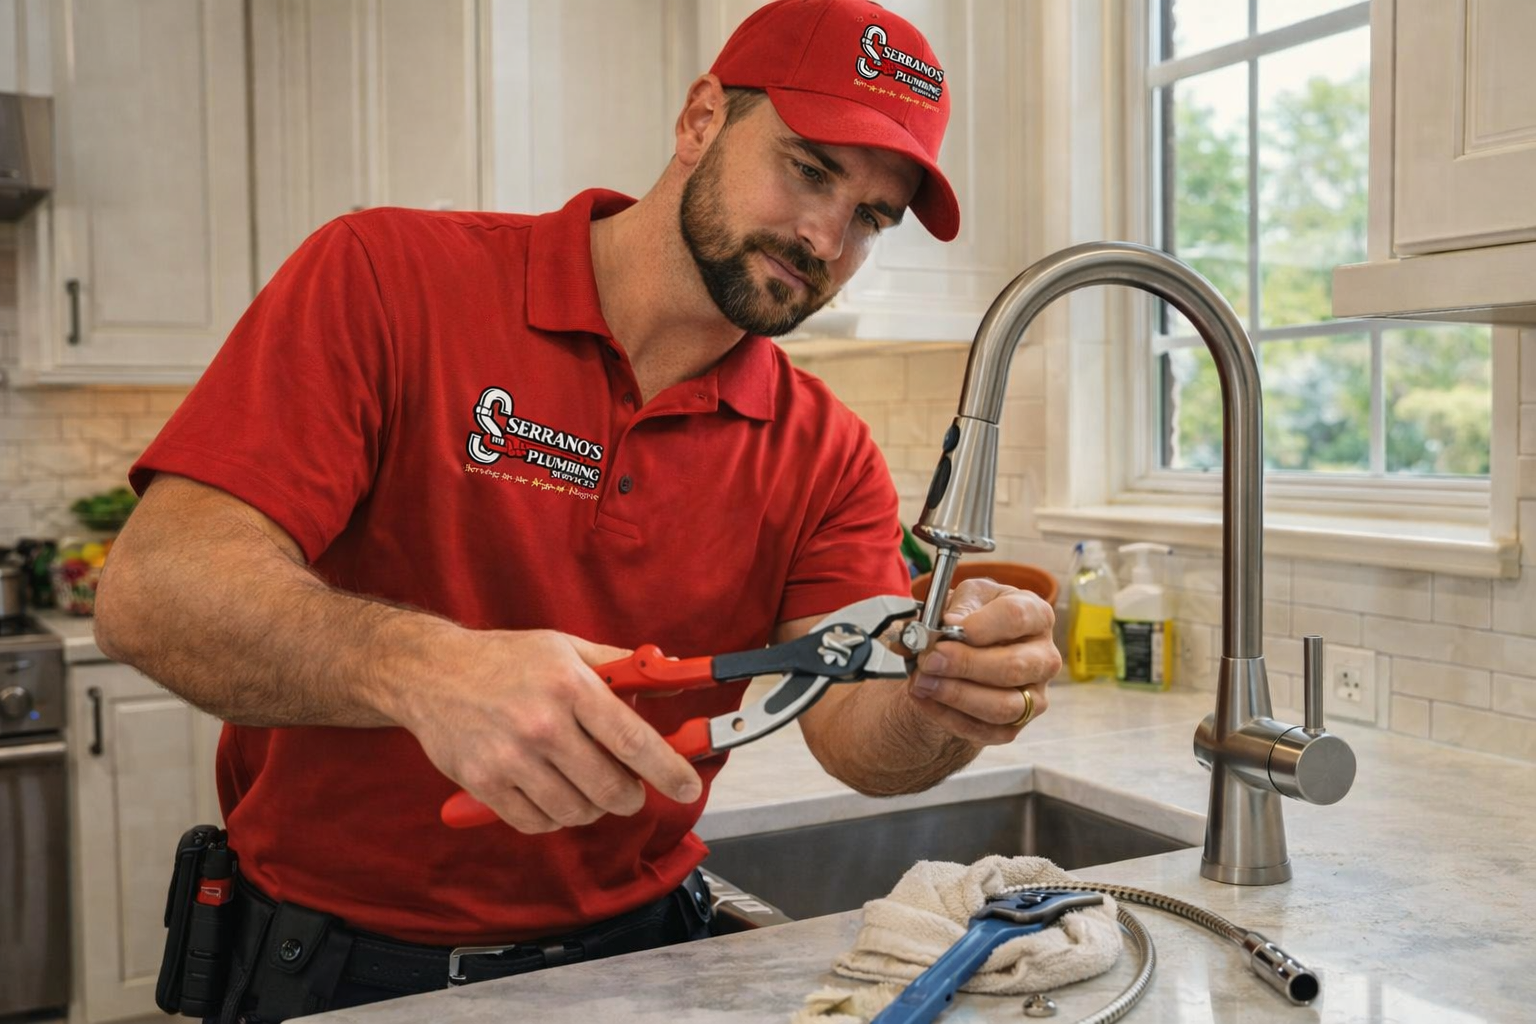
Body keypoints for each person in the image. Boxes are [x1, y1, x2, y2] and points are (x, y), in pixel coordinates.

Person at [94, 1, 1060, 1019]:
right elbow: (154, 593)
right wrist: (423, 669)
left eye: (870, 216)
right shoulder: (385, 277)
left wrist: (946, 702)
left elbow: (856, 730)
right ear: (699, 123)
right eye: (809, 168)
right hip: (329, 977)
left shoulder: (824, 451)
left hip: (640, 973)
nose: (825, 235)